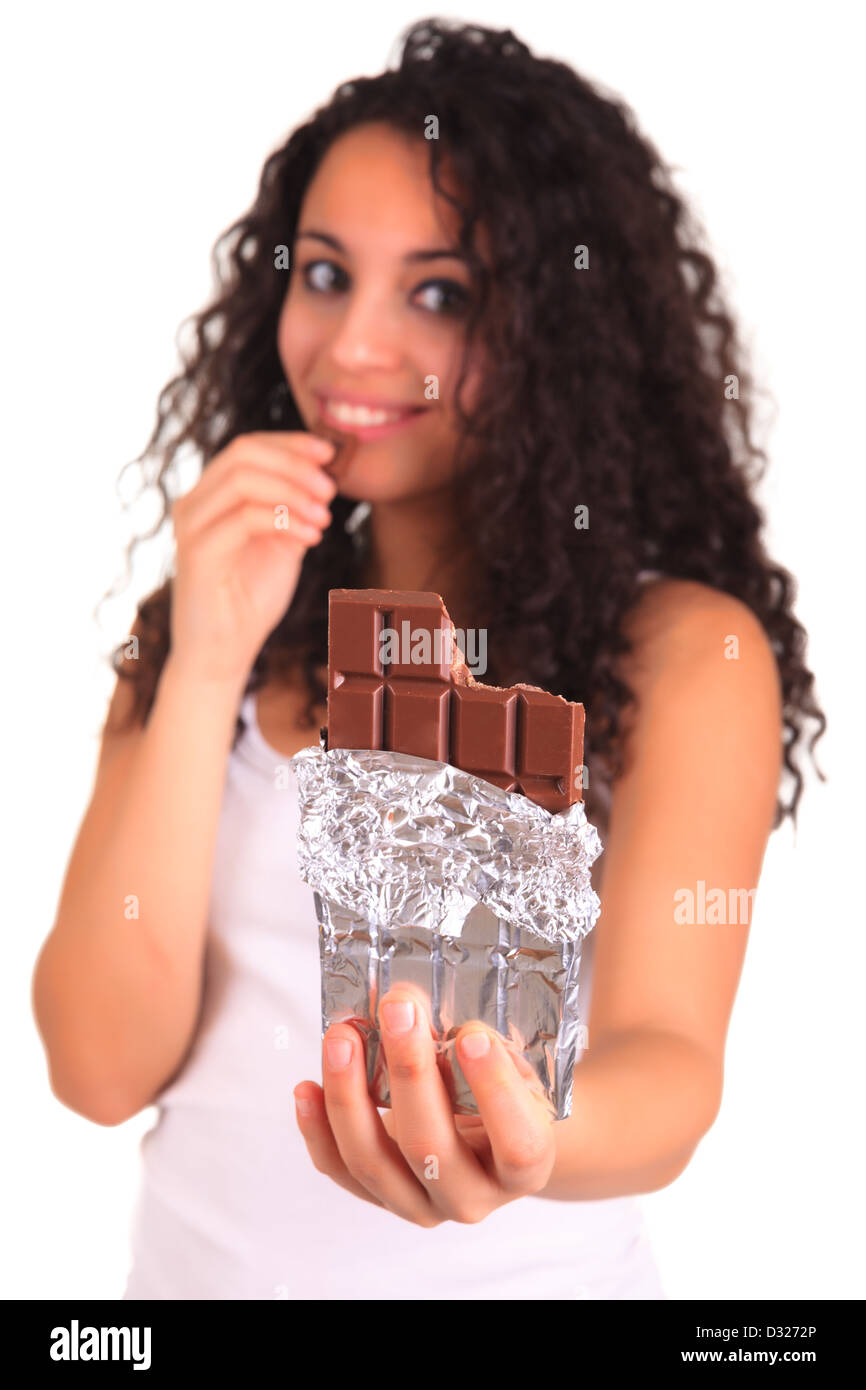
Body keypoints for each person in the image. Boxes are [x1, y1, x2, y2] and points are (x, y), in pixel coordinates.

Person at [32, 18, 826, 1300]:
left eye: (441, 294)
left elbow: (667, 1060)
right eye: (328, 273)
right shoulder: (206, 627)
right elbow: (98, 1066)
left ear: (560, 334)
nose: (351, 351)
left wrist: (515, 1137)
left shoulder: (683, 652)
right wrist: (206, 653)